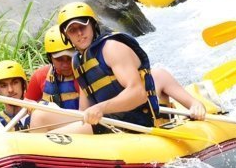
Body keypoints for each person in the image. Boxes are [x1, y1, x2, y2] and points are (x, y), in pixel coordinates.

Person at [26, 26, 206, 131]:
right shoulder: (89, 76)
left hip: (150, 132)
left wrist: (197, 108)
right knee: (41, 116)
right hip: (112, 131)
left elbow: (195, 104)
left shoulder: (159, 76)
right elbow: (83, 114)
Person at [50, 2, 162, 134]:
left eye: (83, 26)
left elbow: (138, 94)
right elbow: (84, 108)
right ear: (66, 35)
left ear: (93, 25)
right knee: (41, 116)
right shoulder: (77, 61)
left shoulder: (111, 48)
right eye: (72, 30)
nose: (79, 33)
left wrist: (101, 108)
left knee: (57, 134)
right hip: (108, 121)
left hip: (137, 122)